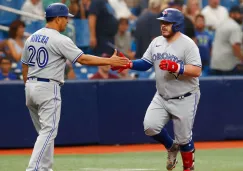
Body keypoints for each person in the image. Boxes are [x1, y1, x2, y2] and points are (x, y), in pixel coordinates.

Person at [21, 3, 128, 171]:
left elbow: (24, 65)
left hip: (31, 87)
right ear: (57, 18)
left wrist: (28, 85)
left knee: (45, 133)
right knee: (48, 132)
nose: (67, 22)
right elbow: (83, 59)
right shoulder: (60, 39)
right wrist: (109, 61)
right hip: (48, 87)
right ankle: (34, 169)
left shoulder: (31, 37)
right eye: (65, 18)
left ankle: (45, 168)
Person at [112, 8, 201, 171]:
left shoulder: (188, 44)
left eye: (167, 23)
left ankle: (188, 167)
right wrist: (129, 64)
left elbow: (197, 70)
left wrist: (177, 67)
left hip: (185, 97)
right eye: (162, 22)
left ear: (177, 25)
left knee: (184, 139)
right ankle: (171, 146)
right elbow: (146, 63)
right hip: (162, 96)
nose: (163, 26)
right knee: (150, 126)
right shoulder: (156, 42)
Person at [210, 6, 243, 75]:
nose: (241, 16)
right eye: (240, 14)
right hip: (227, 66)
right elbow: (236, 48)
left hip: (215, 64)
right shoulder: (235, 26)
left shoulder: (222, 23)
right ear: (232, 14)